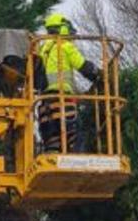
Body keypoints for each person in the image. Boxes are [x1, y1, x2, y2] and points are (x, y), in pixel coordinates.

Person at [37, 14, 103, 152]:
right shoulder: (65, 46)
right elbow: (84, 67)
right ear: (62, 29)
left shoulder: (42, 49)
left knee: (53, 143)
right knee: (77, 134)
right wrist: (99, 75)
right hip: (63, 101)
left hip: (45, 104)